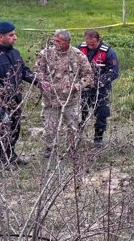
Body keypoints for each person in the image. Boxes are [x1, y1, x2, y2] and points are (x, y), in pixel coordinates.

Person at [0, 21, 48, 166]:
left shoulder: (14, 52)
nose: (15, 37)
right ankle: (0, 159)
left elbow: (23, 71)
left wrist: (39, 82)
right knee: (1, 130)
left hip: (15, 100)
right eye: (11, 35)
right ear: (0, 37)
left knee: (15, 128)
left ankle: (11, 155)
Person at [35, 30, 94, 159]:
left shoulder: (78, 55)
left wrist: (77, 86)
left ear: (67, 42)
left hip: (71, 100)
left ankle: (71, 148)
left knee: (73, 126)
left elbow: (88, 76)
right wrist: (42, 82)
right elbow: (38, 71)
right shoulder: (45, 54)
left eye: (58, 41)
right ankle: (50, 149)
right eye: (54, 40)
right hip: (51, 100)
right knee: (49, 127)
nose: (55, 43)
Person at [79, 29, 119, 148]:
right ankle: (76, 137)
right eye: (88, 44)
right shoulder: (79, 49)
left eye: (93, 44)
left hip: (101, 89)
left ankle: (98, 138)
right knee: (79, 113)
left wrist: (98, 82)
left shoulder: (109, 52)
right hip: (83, 88)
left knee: (102, 113)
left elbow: (114, 72)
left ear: (98, 40)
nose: (90, 46)